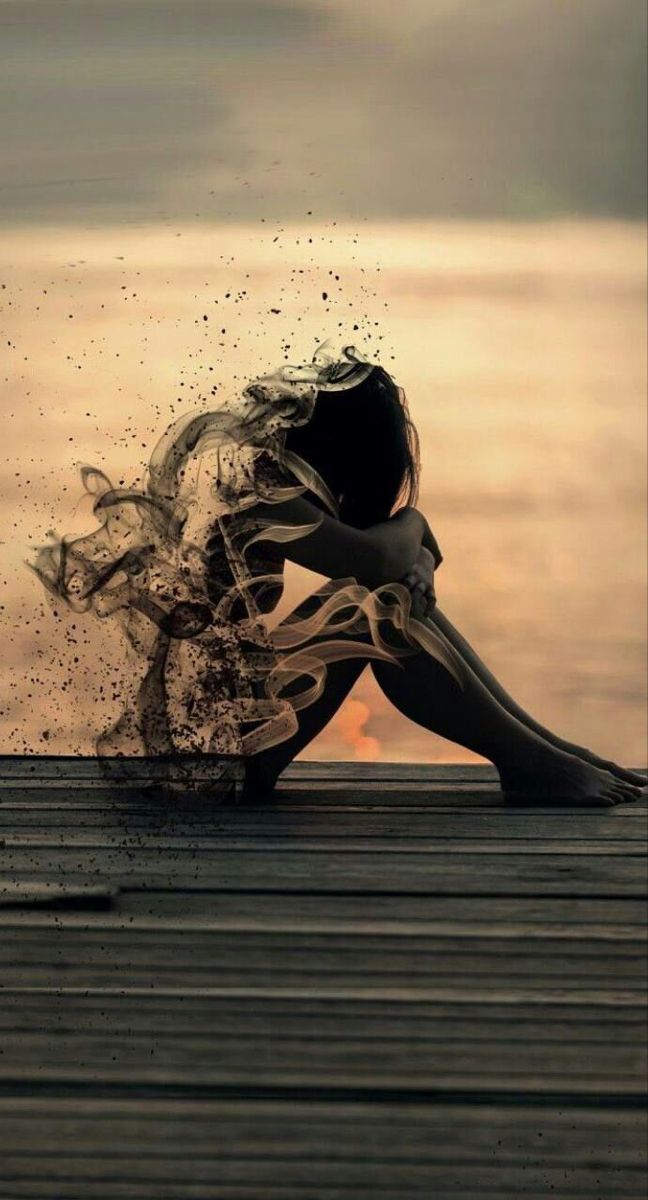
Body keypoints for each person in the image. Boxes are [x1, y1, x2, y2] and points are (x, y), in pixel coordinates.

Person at [31, 340, 644, 805]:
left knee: (371, 596)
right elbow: (380, 556)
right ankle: (532, 762)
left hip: (217, 737)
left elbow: (390, 553)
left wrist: (415, 551)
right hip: (203, 760)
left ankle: (542, 751)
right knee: (371, 606)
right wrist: (417, 529)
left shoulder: (267, 479)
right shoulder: (257, 492)